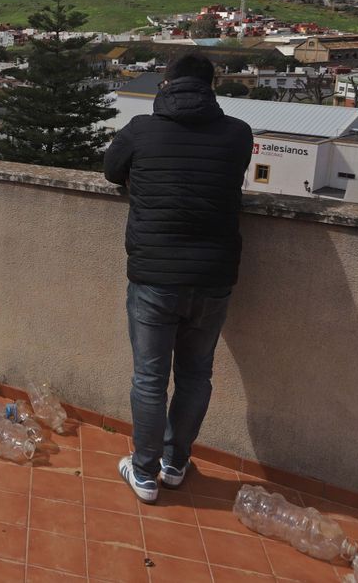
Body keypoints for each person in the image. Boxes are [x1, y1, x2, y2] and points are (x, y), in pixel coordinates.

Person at [102, 52, 253, 503]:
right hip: (213, 276)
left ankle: (144, 474)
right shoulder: (238, 134)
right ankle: (175, 462)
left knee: (150, 378)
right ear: (212, 86)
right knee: (195, 375)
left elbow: (112, 171)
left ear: (165, 84)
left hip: (154, 274)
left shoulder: (141, 130)